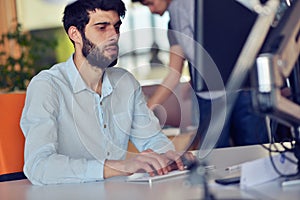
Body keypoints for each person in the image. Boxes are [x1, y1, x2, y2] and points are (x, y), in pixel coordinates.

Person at [20, 0, 192, 186]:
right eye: (102, 28)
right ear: (75, 34)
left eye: (116, 27)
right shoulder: (47, 86)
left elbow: (151, 138)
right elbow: (38, 166)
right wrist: (120, 167)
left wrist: (170, 158)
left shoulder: (126, 83)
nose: (113, 36)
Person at [134, 0, 269, 148]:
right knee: (214, 159)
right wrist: (145, 111)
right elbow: (173, 75)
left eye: (150, 3)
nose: (151, 10)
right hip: (210, 99)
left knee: (254, 152)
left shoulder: (205, 6)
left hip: (244, 90)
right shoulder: (172, 24)